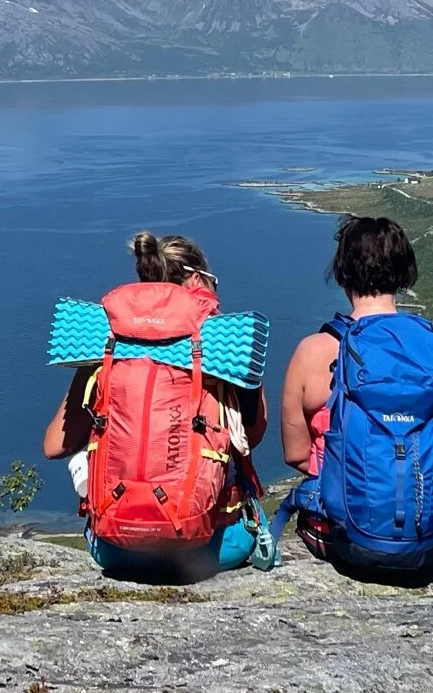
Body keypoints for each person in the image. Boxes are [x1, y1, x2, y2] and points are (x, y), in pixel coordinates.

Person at [43, 231, 274, 583]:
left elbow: (53, 446)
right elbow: (252, 437)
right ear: (197, 279)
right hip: (212, 548)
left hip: (117, 549)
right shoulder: (226, 348)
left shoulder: (106, 347)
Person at [280, 215, 433, 584]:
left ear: (342, 273)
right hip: (428, 547)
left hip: (343, 543)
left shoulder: (314, 351)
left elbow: (297, 455)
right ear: (403, 274)